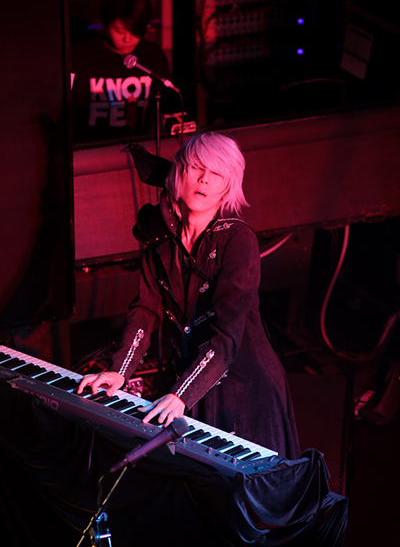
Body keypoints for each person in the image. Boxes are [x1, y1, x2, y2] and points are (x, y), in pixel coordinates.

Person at [78, 132, 300, 459]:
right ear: (177, 173)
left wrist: (181, 394)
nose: (205, 180)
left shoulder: (237, 239)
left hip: (242, 389)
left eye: (217, 174)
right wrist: (119, 371)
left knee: (237, 481)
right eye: (196, 168)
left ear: (228, 186)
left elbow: (226, 335)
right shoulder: (160, 242)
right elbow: (145, 310)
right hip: (185, 384)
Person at [71, 0, 172, 144]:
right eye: (119, 31)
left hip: (142, 146)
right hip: (92, 149)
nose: (127, 39)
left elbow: (168, 108)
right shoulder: (80, 57)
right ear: (106, 23)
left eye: (135, 31)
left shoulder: (153, 56)